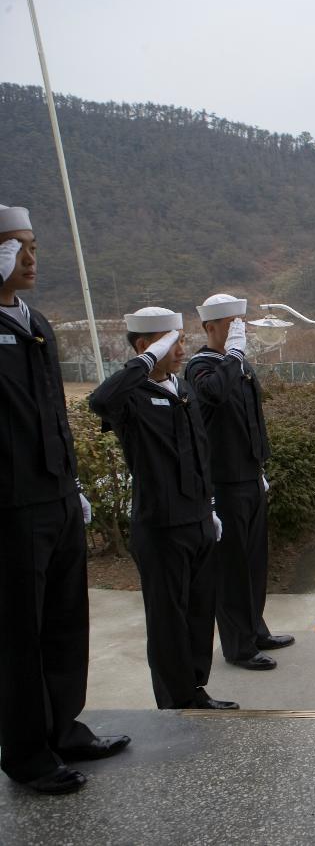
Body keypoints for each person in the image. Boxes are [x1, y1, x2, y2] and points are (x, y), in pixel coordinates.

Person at [0, 205, 130, 795]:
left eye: (32, 245)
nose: (29, 258)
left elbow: (54, 411)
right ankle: (26, 752)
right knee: (18, 634)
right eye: (14, 246)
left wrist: (73, 483)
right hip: (11, 505)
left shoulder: (38, 324)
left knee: (63, 621)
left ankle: (63, 727)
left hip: (55, 495)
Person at [89, 307, 237, 712]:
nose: (181, 349)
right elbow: (100, 399)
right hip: (161, 524)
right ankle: (174, 702)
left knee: (199, 610)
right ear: (145, 346)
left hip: (198, 518)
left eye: (181, 340)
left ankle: (195, 688)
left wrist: (209, 507)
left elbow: (199, 453)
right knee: (168, 619)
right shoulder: (131, 396)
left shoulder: (183, 387)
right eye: (172, 341)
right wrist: (147, 361)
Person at [186, 293, 292, 672]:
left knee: (254, 560)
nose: (237, 330)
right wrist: (232, 355)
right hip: (222, 481)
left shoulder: (239, 363)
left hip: (248, 474)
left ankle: (256, 629)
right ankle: (238, 646)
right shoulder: (201, 366)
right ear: (210, 327)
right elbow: (212, 394)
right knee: (231, 568)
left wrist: (260, 464)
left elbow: (252, 419)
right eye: (230, 323)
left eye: (240, 323)